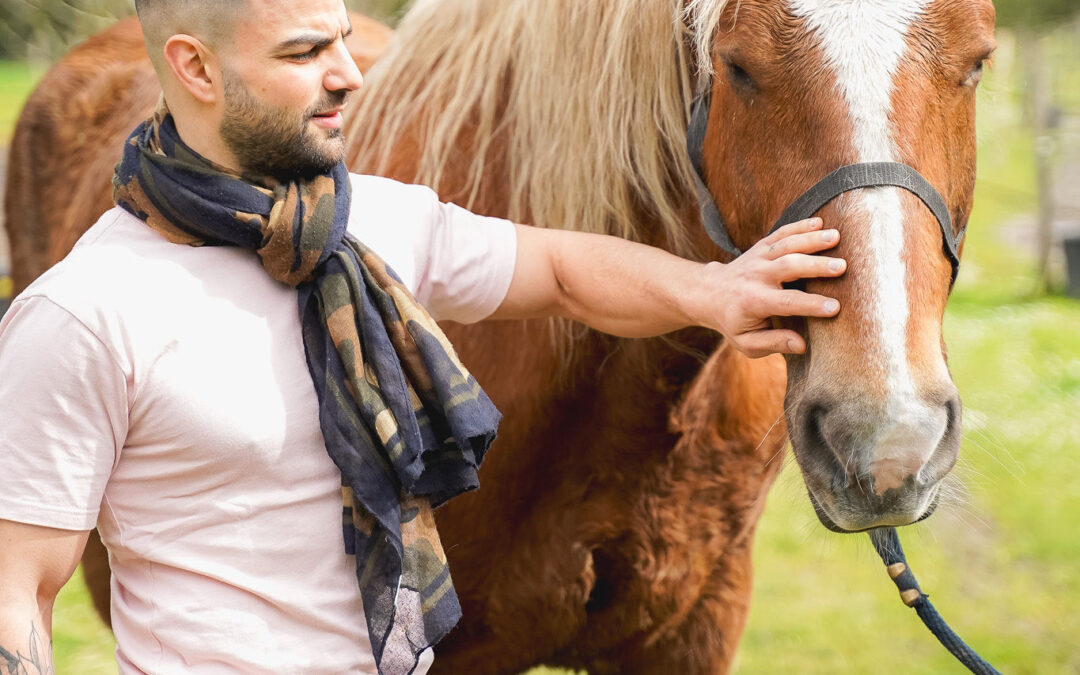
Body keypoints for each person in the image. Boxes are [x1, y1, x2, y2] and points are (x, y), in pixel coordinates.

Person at [0, 0, 846, 673]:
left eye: (341, 39)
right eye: (304, 54)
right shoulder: (85, 312)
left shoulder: (367, 223)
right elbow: (18, 591)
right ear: (194, 67)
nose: (350, 74)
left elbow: (557, 270)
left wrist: (712, 289)